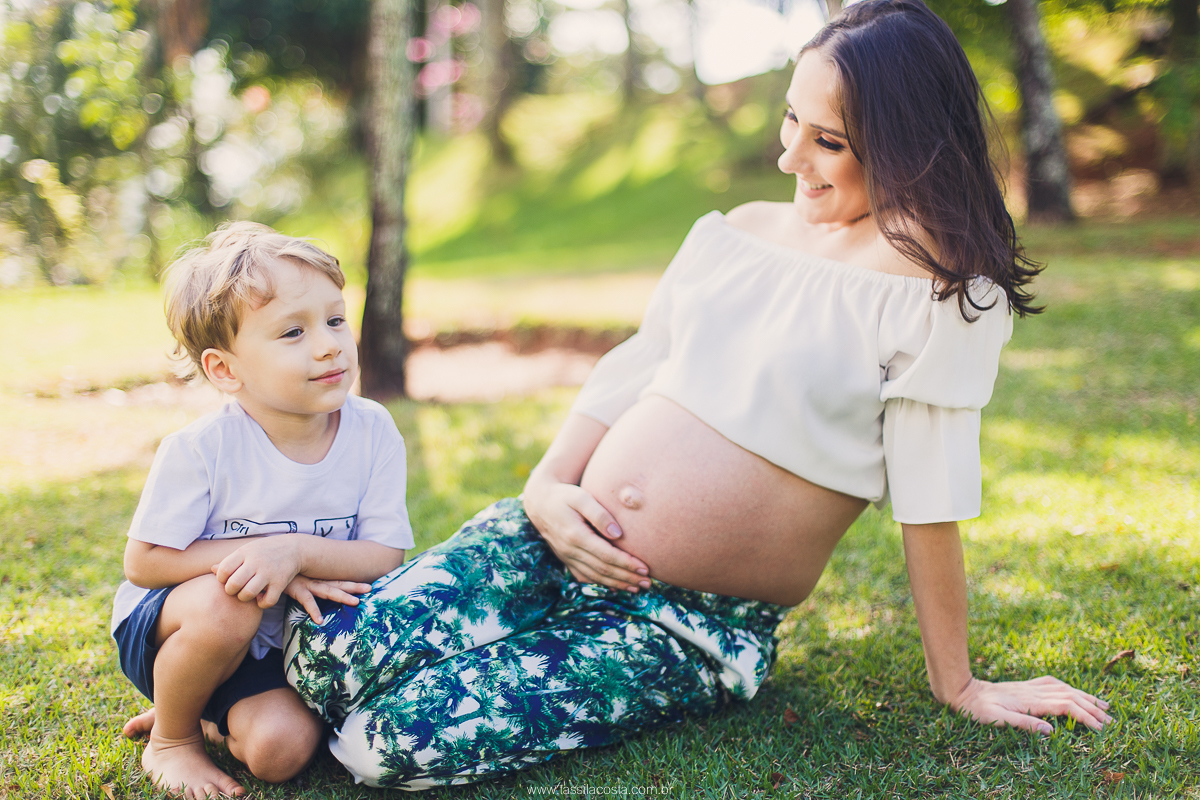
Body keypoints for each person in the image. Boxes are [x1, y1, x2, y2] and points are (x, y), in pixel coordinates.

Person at [284, 0, 1110, 789]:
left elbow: (933, 491)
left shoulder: (939, 294)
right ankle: (238, 705)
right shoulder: (738, 232)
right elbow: (637, 366)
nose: (791, 156)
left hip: (681, 626)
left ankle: (286, 725)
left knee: (384, 744)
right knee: (318, 654)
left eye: (828, 140)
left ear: (908, 146)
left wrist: (957, 683)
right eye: (792, 120)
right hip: (551, 538)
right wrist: (546, 490)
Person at [110, 223, 413, 798]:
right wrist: (265, 562)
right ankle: (173, 738)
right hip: (183, 623)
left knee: (281, 752)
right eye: (293, 332)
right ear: (226, 369)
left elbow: (385, 554)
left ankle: (205, 705)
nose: (328, 344)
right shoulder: (202, 449)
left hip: (289, 642)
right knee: (232, 601)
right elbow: (145, 563)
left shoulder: (372, 428)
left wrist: (293, 553)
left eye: (335, 320)